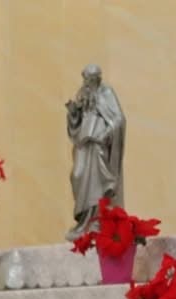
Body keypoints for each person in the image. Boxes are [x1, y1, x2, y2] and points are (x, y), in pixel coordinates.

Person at [65, 63, 126, 241]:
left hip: (98, 144)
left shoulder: (106, 93)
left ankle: (96, 221)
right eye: (85, 79)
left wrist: (106, 133)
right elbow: (78, 120)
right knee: (77, 175)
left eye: (89, 79)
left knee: (98, 182)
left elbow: (119, 119)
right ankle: (84, 221)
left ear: (97, 79)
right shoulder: (83, 92)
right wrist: (73, 114)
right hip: (83, 143)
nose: (86, 82)